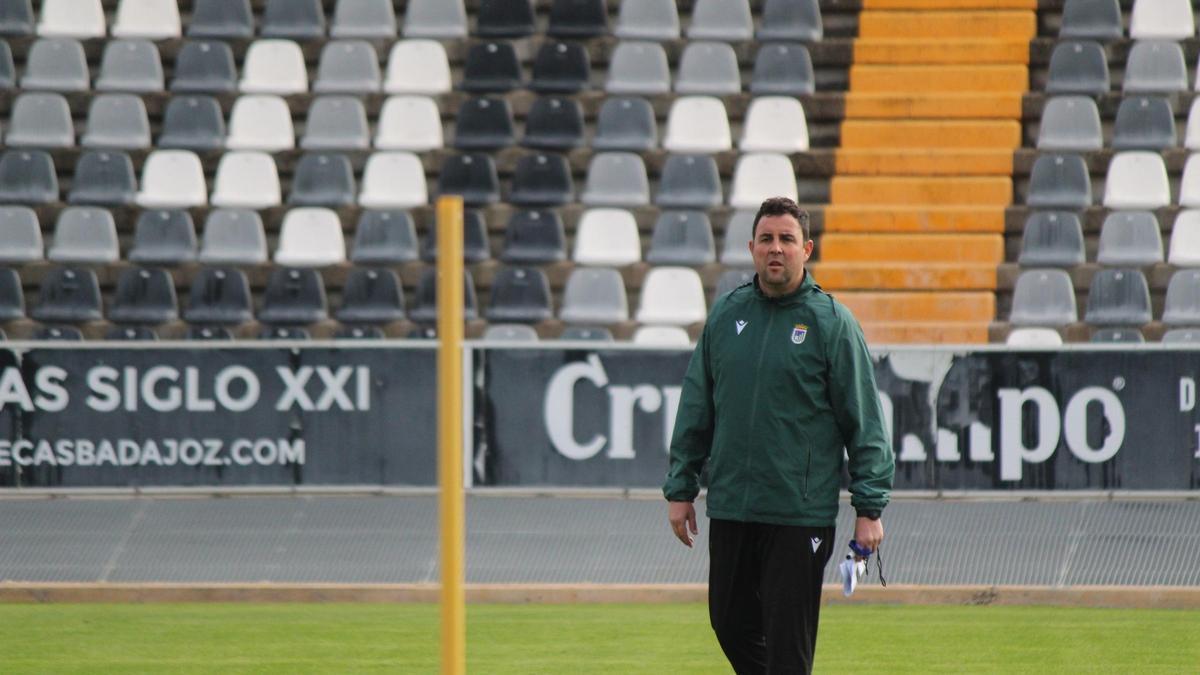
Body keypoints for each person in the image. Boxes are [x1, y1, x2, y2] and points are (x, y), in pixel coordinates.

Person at [663, 196, 894, 674]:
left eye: (787, 239)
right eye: (766, 239)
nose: (776, 248)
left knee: (788, 645)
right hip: (731, 506)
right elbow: (696, 405)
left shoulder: (832, 324)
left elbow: (865, 423)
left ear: (806, 249)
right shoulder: (727, 316)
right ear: (751, 248)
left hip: (797, 513)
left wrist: (868, 511)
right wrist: (681, 488)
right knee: (727, 623)